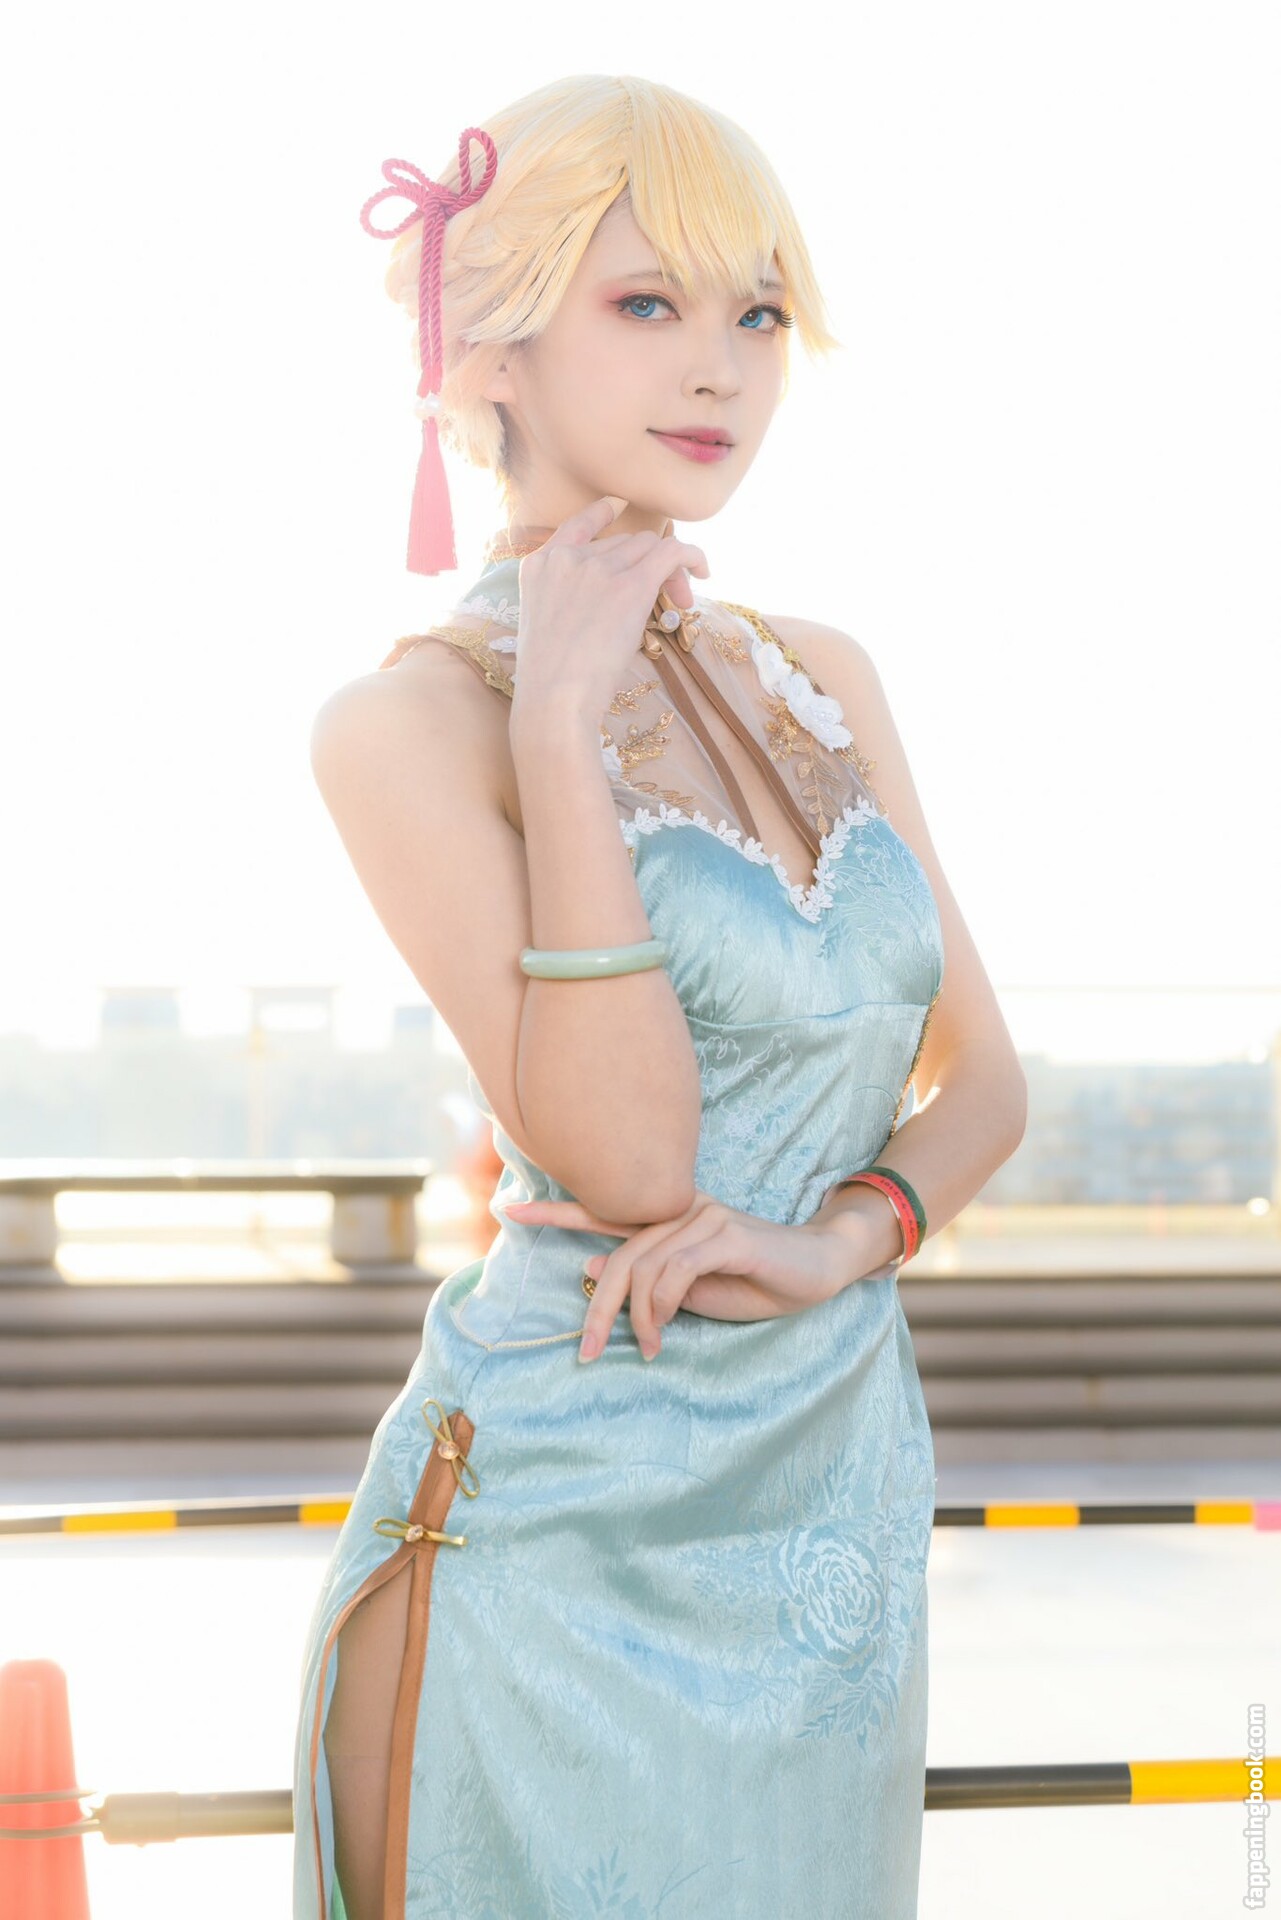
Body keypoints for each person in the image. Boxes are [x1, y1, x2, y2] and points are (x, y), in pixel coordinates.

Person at [292, 73, 1026, 1920]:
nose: (720, 368)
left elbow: (989, 1086)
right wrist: (556, 722)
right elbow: (626, 1165)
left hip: (830, 1521)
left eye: (757, 314)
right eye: (646, 303)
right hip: (553, 1529)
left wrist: (833, 1242)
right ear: (492, 352)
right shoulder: (403, 726)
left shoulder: (826, 675)